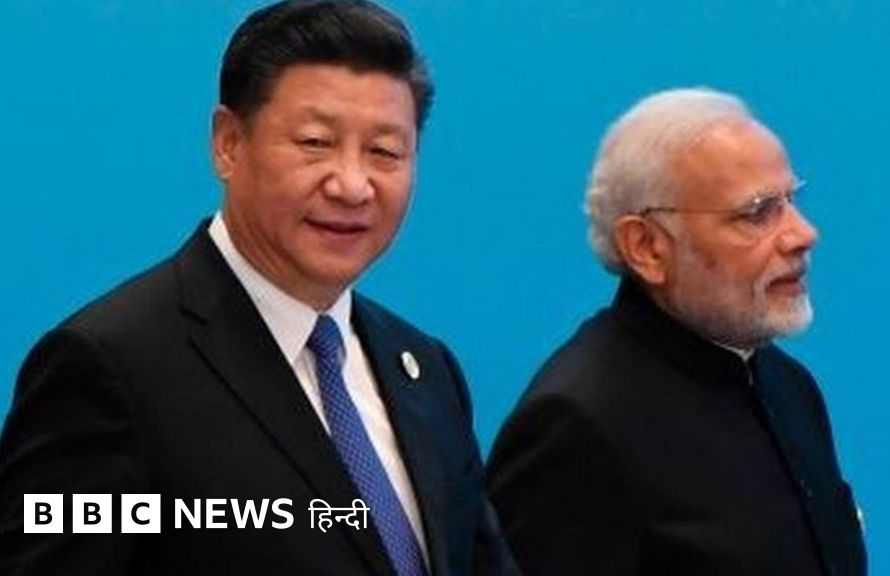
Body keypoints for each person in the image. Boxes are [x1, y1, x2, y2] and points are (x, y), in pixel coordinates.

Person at [0, 2, 516, 575]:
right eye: (315, 142)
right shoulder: (111, 369)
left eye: (384, 152)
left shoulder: (424, 369)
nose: (352, 185)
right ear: (228, 142)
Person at [485, 88, 867, 575]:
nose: (803, 233)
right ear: (646, 247)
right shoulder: (578, 424)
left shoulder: (788, 386)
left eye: (791, 200)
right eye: (756, 212)